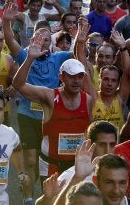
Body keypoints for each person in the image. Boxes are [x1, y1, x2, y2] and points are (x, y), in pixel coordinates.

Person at [12, 31, 96, 179]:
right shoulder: (50, 96)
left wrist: (80, 45)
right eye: (71, 76)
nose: (76, 81)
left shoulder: (89, 98)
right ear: (61, 77)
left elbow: (83, 64)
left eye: (80, 76)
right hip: (52, 165)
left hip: (78, 164)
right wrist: (30, 58)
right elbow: (18, 84)